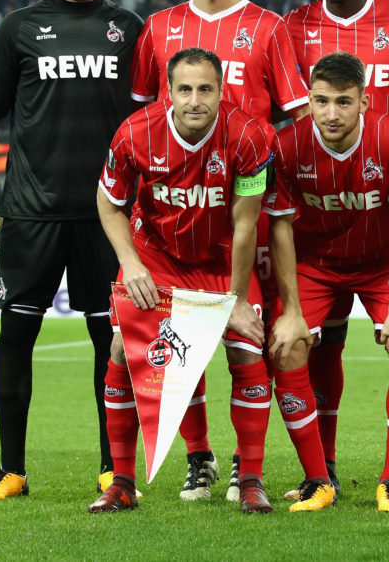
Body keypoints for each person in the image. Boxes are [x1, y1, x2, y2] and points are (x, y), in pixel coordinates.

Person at [0, 0, 143, 502]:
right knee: (15, 340)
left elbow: (148, 119)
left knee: (109, 347)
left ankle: (113, 469)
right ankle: (11, 470)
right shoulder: (19, 28)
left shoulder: (130, 29)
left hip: (106, 217)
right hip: (31, 213)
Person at [128, 0, 309, 501]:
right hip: (173, 219)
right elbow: (138, 119)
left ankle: (245, 466)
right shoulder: (157, 29)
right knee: (180, 347)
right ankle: (199, 456)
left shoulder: (269, 27)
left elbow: (297, 116)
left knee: (248, 341)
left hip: (243, 215)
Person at [90, 47, 273, 514]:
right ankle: (123, 482)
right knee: (120, 350)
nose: (195, 100)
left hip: (222, 255)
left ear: (220, 91)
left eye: (205, 89)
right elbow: (108, 202)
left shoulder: (249, 136)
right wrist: (132, 265)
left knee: (246, 345)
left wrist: (233, 299)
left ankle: (250, 477)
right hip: (157, 256)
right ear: (168, 92)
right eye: (185, 89)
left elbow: (247, 222)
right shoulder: (135, 132)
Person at [282, 0, 389, 497]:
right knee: (303, 346)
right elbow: (278, 223)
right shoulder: (292, 27)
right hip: (319, 243)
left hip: (379, 224)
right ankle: (320, 474)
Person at [263, 52, 389, 512]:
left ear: (364, 101)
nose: (331, 114)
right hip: (316, 263)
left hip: (379, 262)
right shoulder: (287, 144)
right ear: (309, 100)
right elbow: (280, 226)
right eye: (321, 101)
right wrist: (292, 311)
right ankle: (319, 479)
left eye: (343, 102)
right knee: (286, 346)